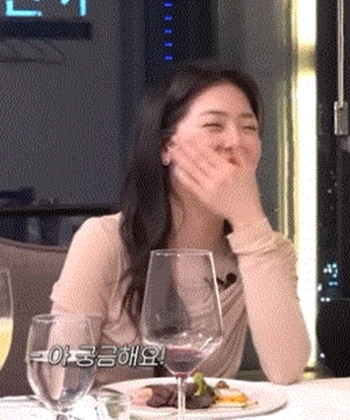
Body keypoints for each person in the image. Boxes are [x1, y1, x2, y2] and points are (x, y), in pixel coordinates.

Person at [50, 62, 310, 386]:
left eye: (249, 127)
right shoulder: (104, 240)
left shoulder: (265, 250)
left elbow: (286, 370)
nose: (235, 141)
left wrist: (249, 220)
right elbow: (60, 377)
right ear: (165, 147)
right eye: (214, 125)